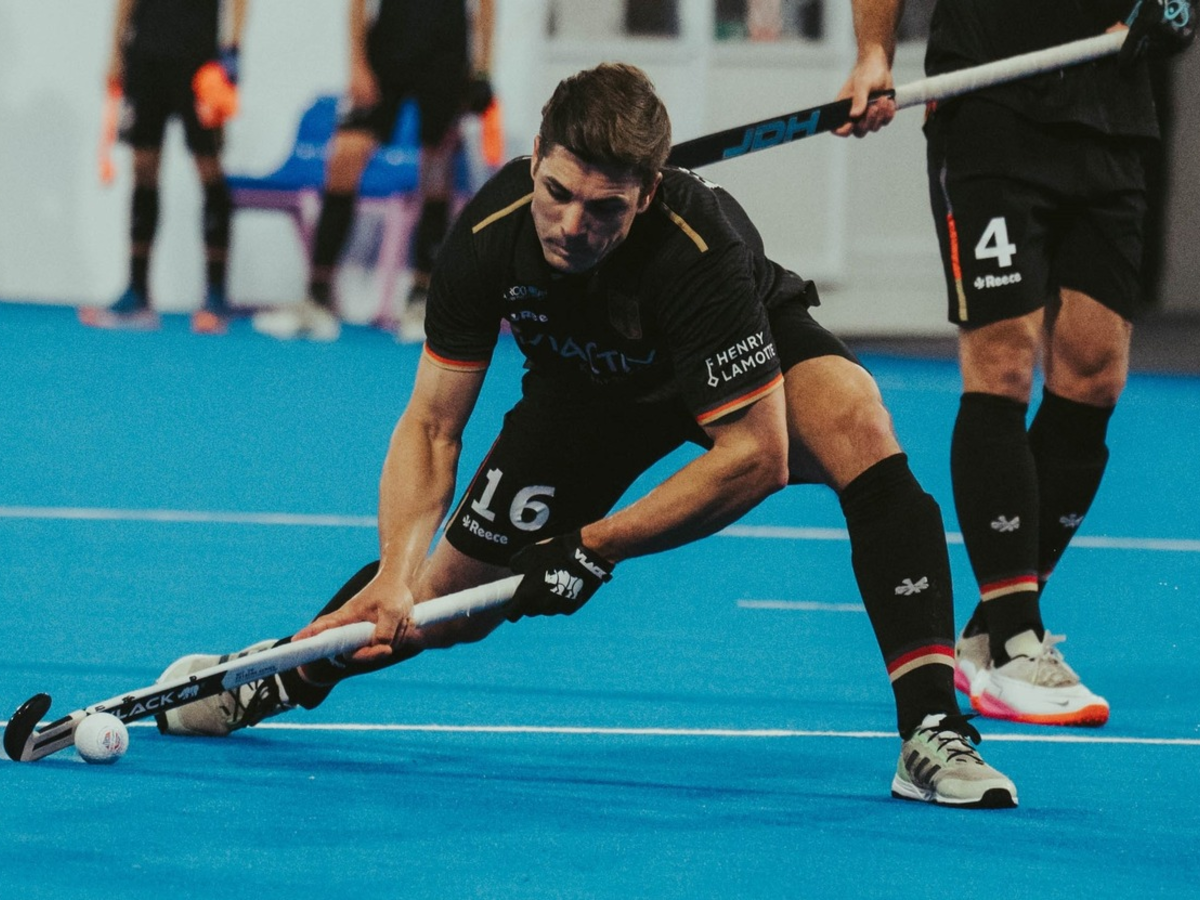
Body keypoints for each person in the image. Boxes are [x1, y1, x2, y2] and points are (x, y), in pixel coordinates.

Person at [157, 63, 1017, 808]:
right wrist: (392, 572)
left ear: (648, 193)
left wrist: (593, 547)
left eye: (605, 209)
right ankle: (270, 676)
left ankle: (932, 729)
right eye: (557, 193)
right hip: (583, 394)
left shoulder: (699, 247)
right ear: (535, 157)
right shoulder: (488, 235)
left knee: (858, 419)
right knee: (439, 605)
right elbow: (432, 426)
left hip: (723, 359)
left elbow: (756, 457)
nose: (572, 227)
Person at [838, 0, 1194, 726]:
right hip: (989, 106)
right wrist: (875, 52)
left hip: (1111, 112)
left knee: (1095, 375)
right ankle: (1015, 640)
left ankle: (988, 635)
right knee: (1002, 361)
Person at [251, 0, 495, 343]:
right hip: (389, 47)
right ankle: (316, 297)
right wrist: (357, 63)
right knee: (344, 157)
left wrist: (482, 70)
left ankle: (421, 301)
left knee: (436, 170)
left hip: (446, 51)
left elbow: (486, 4)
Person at [82, 0, 247, 335]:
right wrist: (116, 51)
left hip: (199, 59)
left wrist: (232, 51)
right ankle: (137, 292)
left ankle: (216, 295)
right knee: (143, 167)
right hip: (146, 54)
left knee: (208, 166)